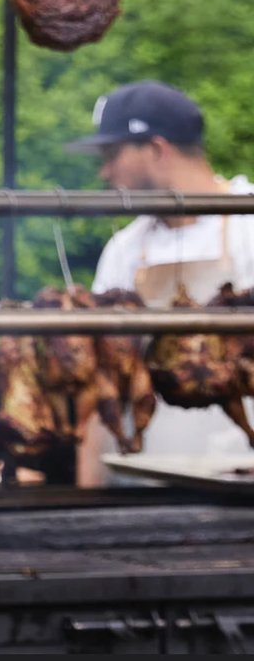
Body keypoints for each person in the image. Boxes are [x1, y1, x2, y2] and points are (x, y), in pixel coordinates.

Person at [79, 81, 254, 458]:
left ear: (157, 149)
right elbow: (100, 377)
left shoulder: (248, 226)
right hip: (145, 476)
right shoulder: (125, 249)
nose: (104, 173)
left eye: (111, 155)